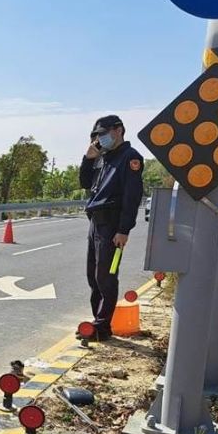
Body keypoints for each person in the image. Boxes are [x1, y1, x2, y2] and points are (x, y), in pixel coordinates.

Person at [78, 115, 144, 340]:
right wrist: (88, 158)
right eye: (97, 136)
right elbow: (85, 183)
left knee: (106, 277)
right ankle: (97, 322)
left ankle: (102, 327)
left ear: (119, 130)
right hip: (96, 223)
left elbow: (132, 196)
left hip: (112, 225)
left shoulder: (130, 158)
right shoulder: (103, 157)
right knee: (93, 276)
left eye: (104, 134)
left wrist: (124, 230)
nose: (100, 139)